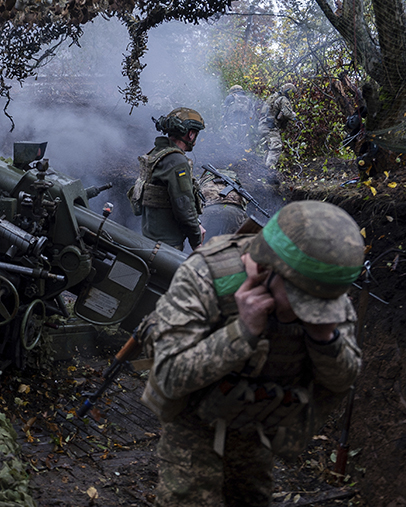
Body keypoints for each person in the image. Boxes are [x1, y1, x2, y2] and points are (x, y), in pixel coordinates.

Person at [136, 200, 363, 507]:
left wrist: (325, 338)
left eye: (323, 304)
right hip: (194, 420)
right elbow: (169, 376)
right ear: (266, 268)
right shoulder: (206, 274)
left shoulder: (323, 287)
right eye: (301, 300)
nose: (310, 312)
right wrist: (242, 332)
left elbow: (342, 381)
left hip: (258, 423)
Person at [128, 107, 206, 250]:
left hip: (150, 238)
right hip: (167, 245)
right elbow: (184, 205)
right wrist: (196, 240)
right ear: (191, 134)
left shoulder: (157, 153)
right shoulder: (177, 161)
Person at [198, 168, 248, 242]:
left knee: (205, 243)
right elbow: (243, 206)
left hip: (209, 209)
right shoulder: (237, 184)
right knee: (233, 244)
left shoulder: (204, 181)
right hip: (235, 210)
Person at [259, 83, 298, 170]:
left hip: (262, 124)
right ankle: (269, 168)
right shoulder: (283, 99)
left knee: (267, 148)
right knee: (276, 146)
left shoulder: (272, 98)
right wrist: (295, 117)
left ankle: (262, 168)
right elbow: (287, 113)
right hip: (270, 126)